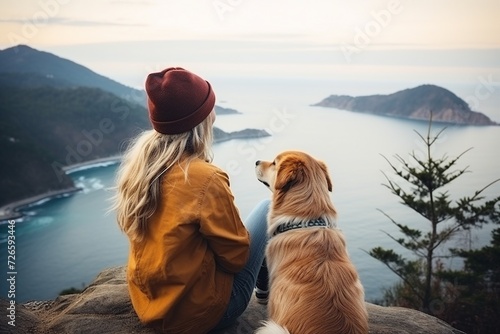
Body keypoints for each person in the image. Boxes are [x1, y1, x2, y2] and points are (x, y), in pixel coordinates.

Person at [112, 67, 269, 333]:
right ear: (202, 121)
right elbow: (236, 258)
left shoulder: (139, 166)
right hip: (203, 314)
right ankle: (265, 293)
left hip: (151, 306)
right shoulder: (205, 178)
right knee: (269, 207)